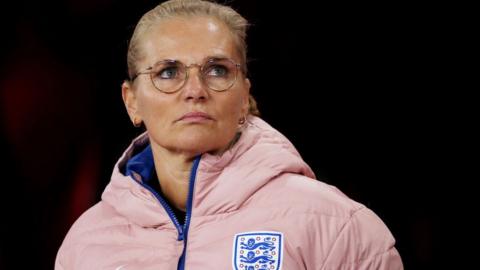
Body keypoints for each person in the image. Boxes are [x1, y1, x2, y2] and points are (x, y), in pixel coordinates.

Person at [56, 0, 403, 269]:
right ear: (132, 102)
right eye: (168, 72)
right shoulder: (87, 243)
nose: (194, 90)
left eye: (217, 70)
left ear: (243, 98)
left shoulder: (335, 227)